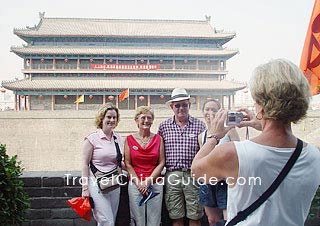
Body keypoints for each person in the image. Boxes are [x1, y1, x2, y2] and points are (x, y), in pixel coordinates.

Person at [191, 59, 320, 225]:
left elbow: (196, 172)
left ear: (261, 104)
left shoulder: (233, 153)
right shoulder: (314, 156)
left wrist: (214, 136)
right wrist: (263, 124)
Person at [158, 87, 206, 226]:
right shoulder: (164, 126)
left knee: (195, 216)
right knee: (175, 216)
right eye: (177, 105)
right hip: (172, 175)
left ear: (189, 106)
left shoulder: (199, 125)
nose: (181, 108)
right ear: (172, 107)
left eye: (184, 104)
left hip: (193, 174)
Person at [198, 99, 240, 225]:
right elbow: (203, 159)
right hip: (208, 181)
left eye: (214, 110)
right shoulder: (202, 136)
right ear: (202, 112)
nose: (210, 112)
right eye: (207, 109)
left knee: (228, 218)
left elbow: (239, 153)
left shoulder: (229, 131)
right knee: (212, 220)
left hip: (226, 181)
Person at [81, 103, 124, 226]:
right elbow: (84, 164)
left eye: (114, 118)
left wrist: (137, 171)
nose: (112, 120)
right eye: (109, 117)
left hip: (114, 184)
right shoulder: (92, 138)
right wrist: (85, 189)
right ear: (102, 118)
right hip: (97, 185)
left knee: (109, 221)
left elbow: (119, 161)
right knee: (107, 221)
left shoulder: (117, 138)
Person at [124, 106, 165, 226]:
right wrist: (139, 183)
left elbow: (161, 162)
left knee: (154, 219)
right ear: (136, 120)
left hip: (155, 183)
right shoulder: (129, 139)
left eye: (149, 118)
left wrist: (148, 181)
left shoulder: (158, 139)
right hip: (135, 184)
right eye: (143, 117)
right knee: (137, 219)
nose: (146, 121)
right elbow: (128, 164)